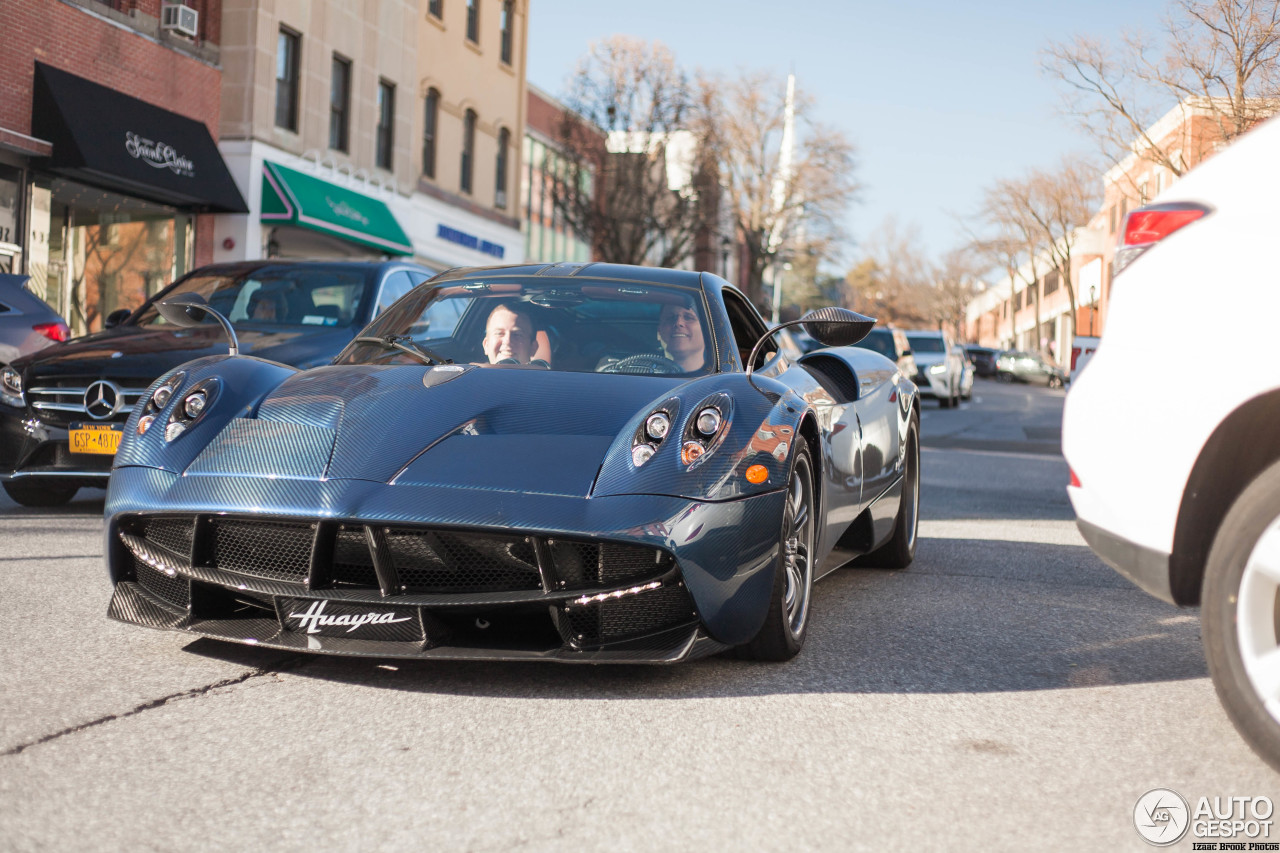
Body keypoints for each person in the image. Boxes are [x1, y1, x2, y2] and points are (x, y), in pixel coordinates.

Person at [480, 302, 551, 366]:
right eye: (499, 333)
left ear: (533, 347)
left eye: (517, 335)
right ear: (486, 345)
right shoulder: (471, 379)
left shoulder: (545, 380)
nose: (507, 341)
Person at [657, 298, 706, 372]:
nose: (678, 323)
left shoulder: (720, 380)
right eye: (670, 318)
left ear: (707, 331)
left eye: (688, 317)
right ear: (659, 332)